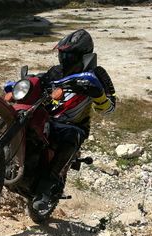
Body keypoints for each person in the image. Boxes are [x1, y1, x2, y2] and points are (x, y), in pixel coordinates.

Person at [33, 29, 116, 210]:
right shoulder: (56, 71)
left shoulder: (98, 75)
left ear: (83, 56)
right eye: (62, 55)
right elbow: (41, 83)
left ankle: (46, 190)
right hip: (49, 118)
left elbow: (110, 109)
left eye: (69, 56)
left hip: (74, 125)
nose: (64, 60)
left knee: (71, 136)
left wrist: (99, 95)